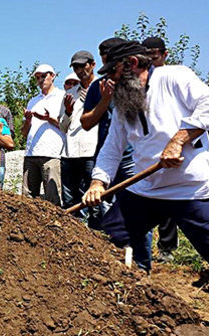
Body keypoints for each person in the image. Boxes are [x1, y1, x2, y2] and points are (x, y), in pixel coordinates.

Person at [83, 40, 209, 272]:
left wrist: (179, 139)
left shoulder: (174, 77)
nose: (111, 79)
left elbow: (207, 103)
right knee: (108, 238)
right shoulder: (124, 103)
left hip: (191, 188)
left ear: (132, 63)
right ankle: (132, 284)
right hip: (147, 188)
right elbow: (112, 148)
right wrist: (98, 182)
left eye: (114, 71)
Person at [141, 36, 177, 263]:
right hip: (148, 149)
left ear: (164, 55)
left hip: (173, 149)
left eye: (155, 55)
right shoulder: (141, 83)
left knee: (171, 201)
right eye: (147, 56)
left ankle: (166, 247)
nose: (152, 60)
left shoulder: (175, 78)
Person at [59, 51, 99, 222]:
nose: (80, 70)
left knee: (93, 195)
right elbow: (63, 125)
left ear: (92, 65)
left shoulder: (102, 87)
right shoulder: (71, 93)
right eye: (76, 67)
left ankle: (97, 232)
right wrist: (68, 111)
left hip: (92, 148)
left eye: (83, 65)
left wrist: (94, 103)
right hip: (70, 150)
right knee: (69, 196)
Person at [20, 64, 65, 205]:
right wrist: (27, 121)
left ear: (53, 76)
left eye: (44, 76)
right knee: (27, 199)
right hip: (31, 153)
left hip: (53, 153)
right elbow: (24, 132)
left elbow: (67, 126)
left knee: (53, 198)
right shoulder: (33, 101)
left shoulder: (63, 97)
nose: (41, 79)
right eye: (38, 77)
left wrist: (48, 118)